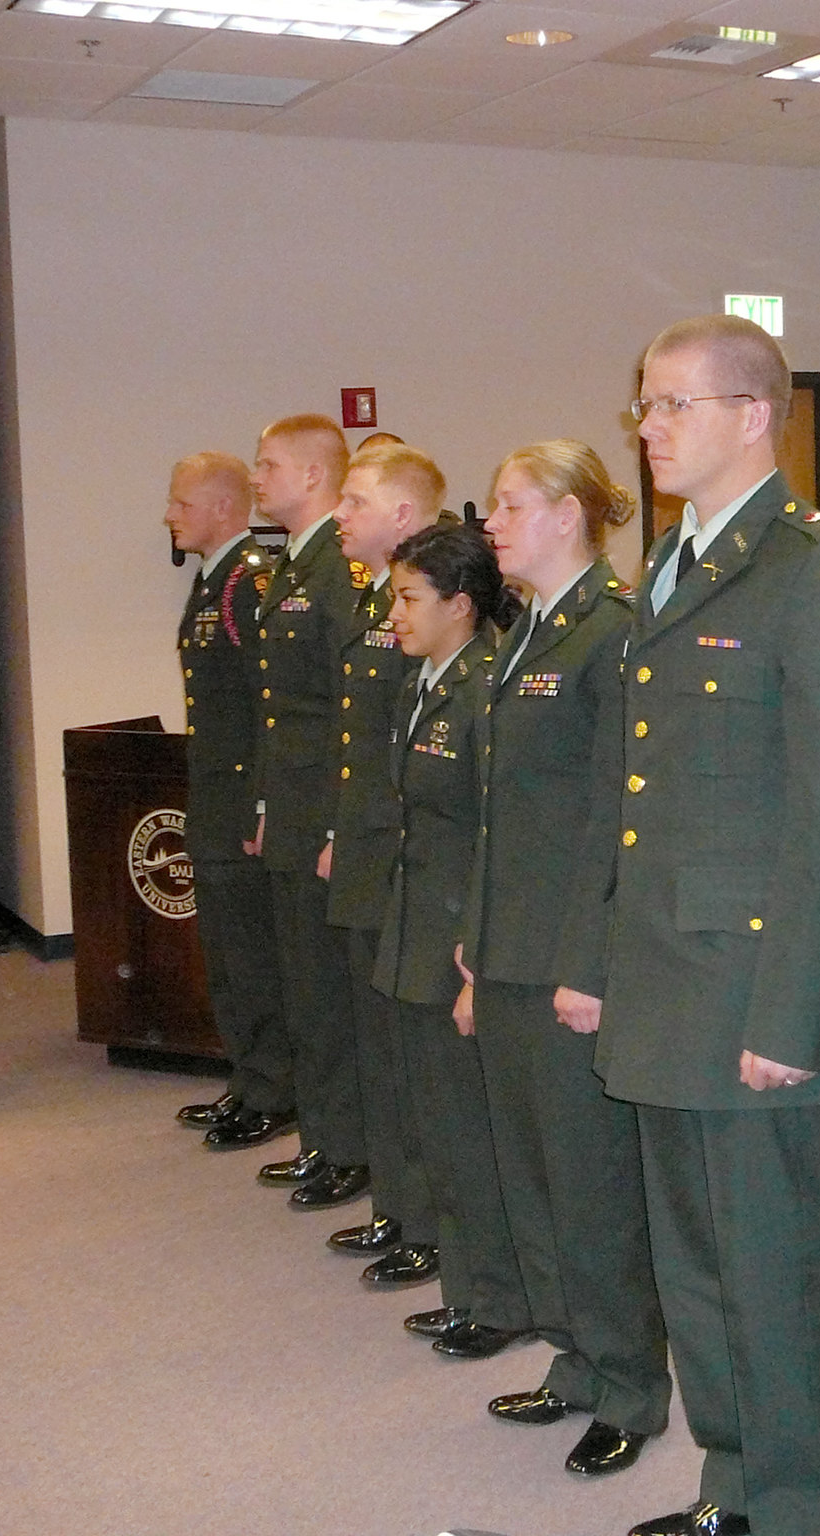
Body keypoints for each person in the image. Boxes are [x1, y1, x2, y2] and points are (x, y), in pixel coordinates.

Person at [596, 314, 820, 1536]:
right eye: (642, 404)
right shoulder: (671, 563)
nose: (649, 427)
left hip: (753, 1001)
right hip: (666, 984)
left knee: (771, 1284)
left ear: (751, 416)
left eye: (672, 403)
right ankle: (733, 1488)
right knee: (698, 1271)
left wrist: (796, 1017)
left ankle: (792, 1511)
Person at [454, 441, 668, 1478]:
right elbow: (507, 817)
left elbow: (611, 825)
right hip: (504, 947)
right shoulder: (524, 632)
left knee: (588, 1185)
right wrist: (473, 944)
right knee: (532, 1174)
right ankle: (575, 1360)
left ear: (571, 514)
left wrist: (589, 964)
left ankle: (629, 1381)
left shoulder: (609, 634)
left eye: (509, 504)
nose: (490, 523)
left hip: (564, 961)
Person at [371, 520, 533, 1358]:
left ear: (460, 605)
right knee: (439, 1127)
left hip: (455, 945)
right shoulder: (425, 682)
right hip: (414, 934)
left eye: (407, 598)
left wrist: (475, 962)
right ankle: (467, 1284)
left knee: (472, 1136)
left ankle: (499, 1300)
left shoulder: (481, 689)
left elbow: (488, 838)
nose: (391, 612)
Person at [229, 415, 370, 1211]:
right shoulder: (291, 565)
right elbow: (274, 709)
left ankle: (347, 1149)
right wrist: (263, 806)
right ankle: (324, 1138)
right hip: (288, 806)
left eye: (269, 463)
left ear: (315, 475)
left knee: (326, 994)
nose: (258, 474)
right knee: (302, 990)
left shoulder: (337, 572)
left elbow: (352, 708)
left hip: (322, 811)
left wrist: (331, 825)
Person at [320, 441, 450, 1284]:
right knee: (382, 1047)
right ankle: (399, 1207)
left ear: (403, 514)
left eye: (355, 499)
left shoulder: (450, 604)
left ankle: (434, 1222)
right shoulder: (375, 600)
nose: (339, 513)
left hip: (411, 858)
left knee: (422, 1060)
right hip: (368, 850)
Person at [161, 452, 292, 1139]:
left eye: (181, 504)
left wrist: (261, 806)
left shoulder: (249, 582)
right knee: (226, 958)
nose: (170, 515)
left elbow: (268, 707)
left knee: (250, 958)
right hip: (213, 798)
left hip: (240, 803)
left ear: (220, 508)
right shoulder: (216, 580)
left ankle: (272, 1091)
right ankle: (248, 1078)